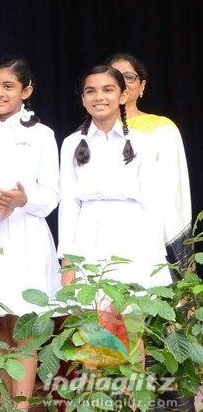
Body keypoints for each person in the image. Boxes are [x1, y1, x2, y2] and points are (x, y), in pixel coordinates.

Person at [0, 58, 60, 411]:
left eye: (8, 86)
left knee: (22, 329)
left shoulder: (41, 134)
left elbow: (52, 194)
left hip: (26, 238)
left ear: (26, 91)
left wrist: (24, 200)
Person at [58, 66, 172, 287]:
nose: (99, 97)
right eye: (90, 91)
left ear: (123, 95)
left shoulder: (144, 142)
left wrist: (157, 257)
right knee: (91, 315)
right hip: (88, 237)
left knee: (132, 316)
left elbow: (153, 204)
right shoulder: (71, 143)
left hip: (134, 237)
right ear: (83, 99)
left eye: (108, 90)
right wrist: (67, 262)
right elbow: (69, 206)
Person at [107, 53, 192, 277]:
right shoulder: (87, 136)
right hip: (103, 237)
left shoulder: (161, 129)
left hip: (150, 238)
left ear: (142, 85)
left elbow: (174, 191)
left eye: (129, 77)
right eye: (114, 77)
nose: (122, 83)